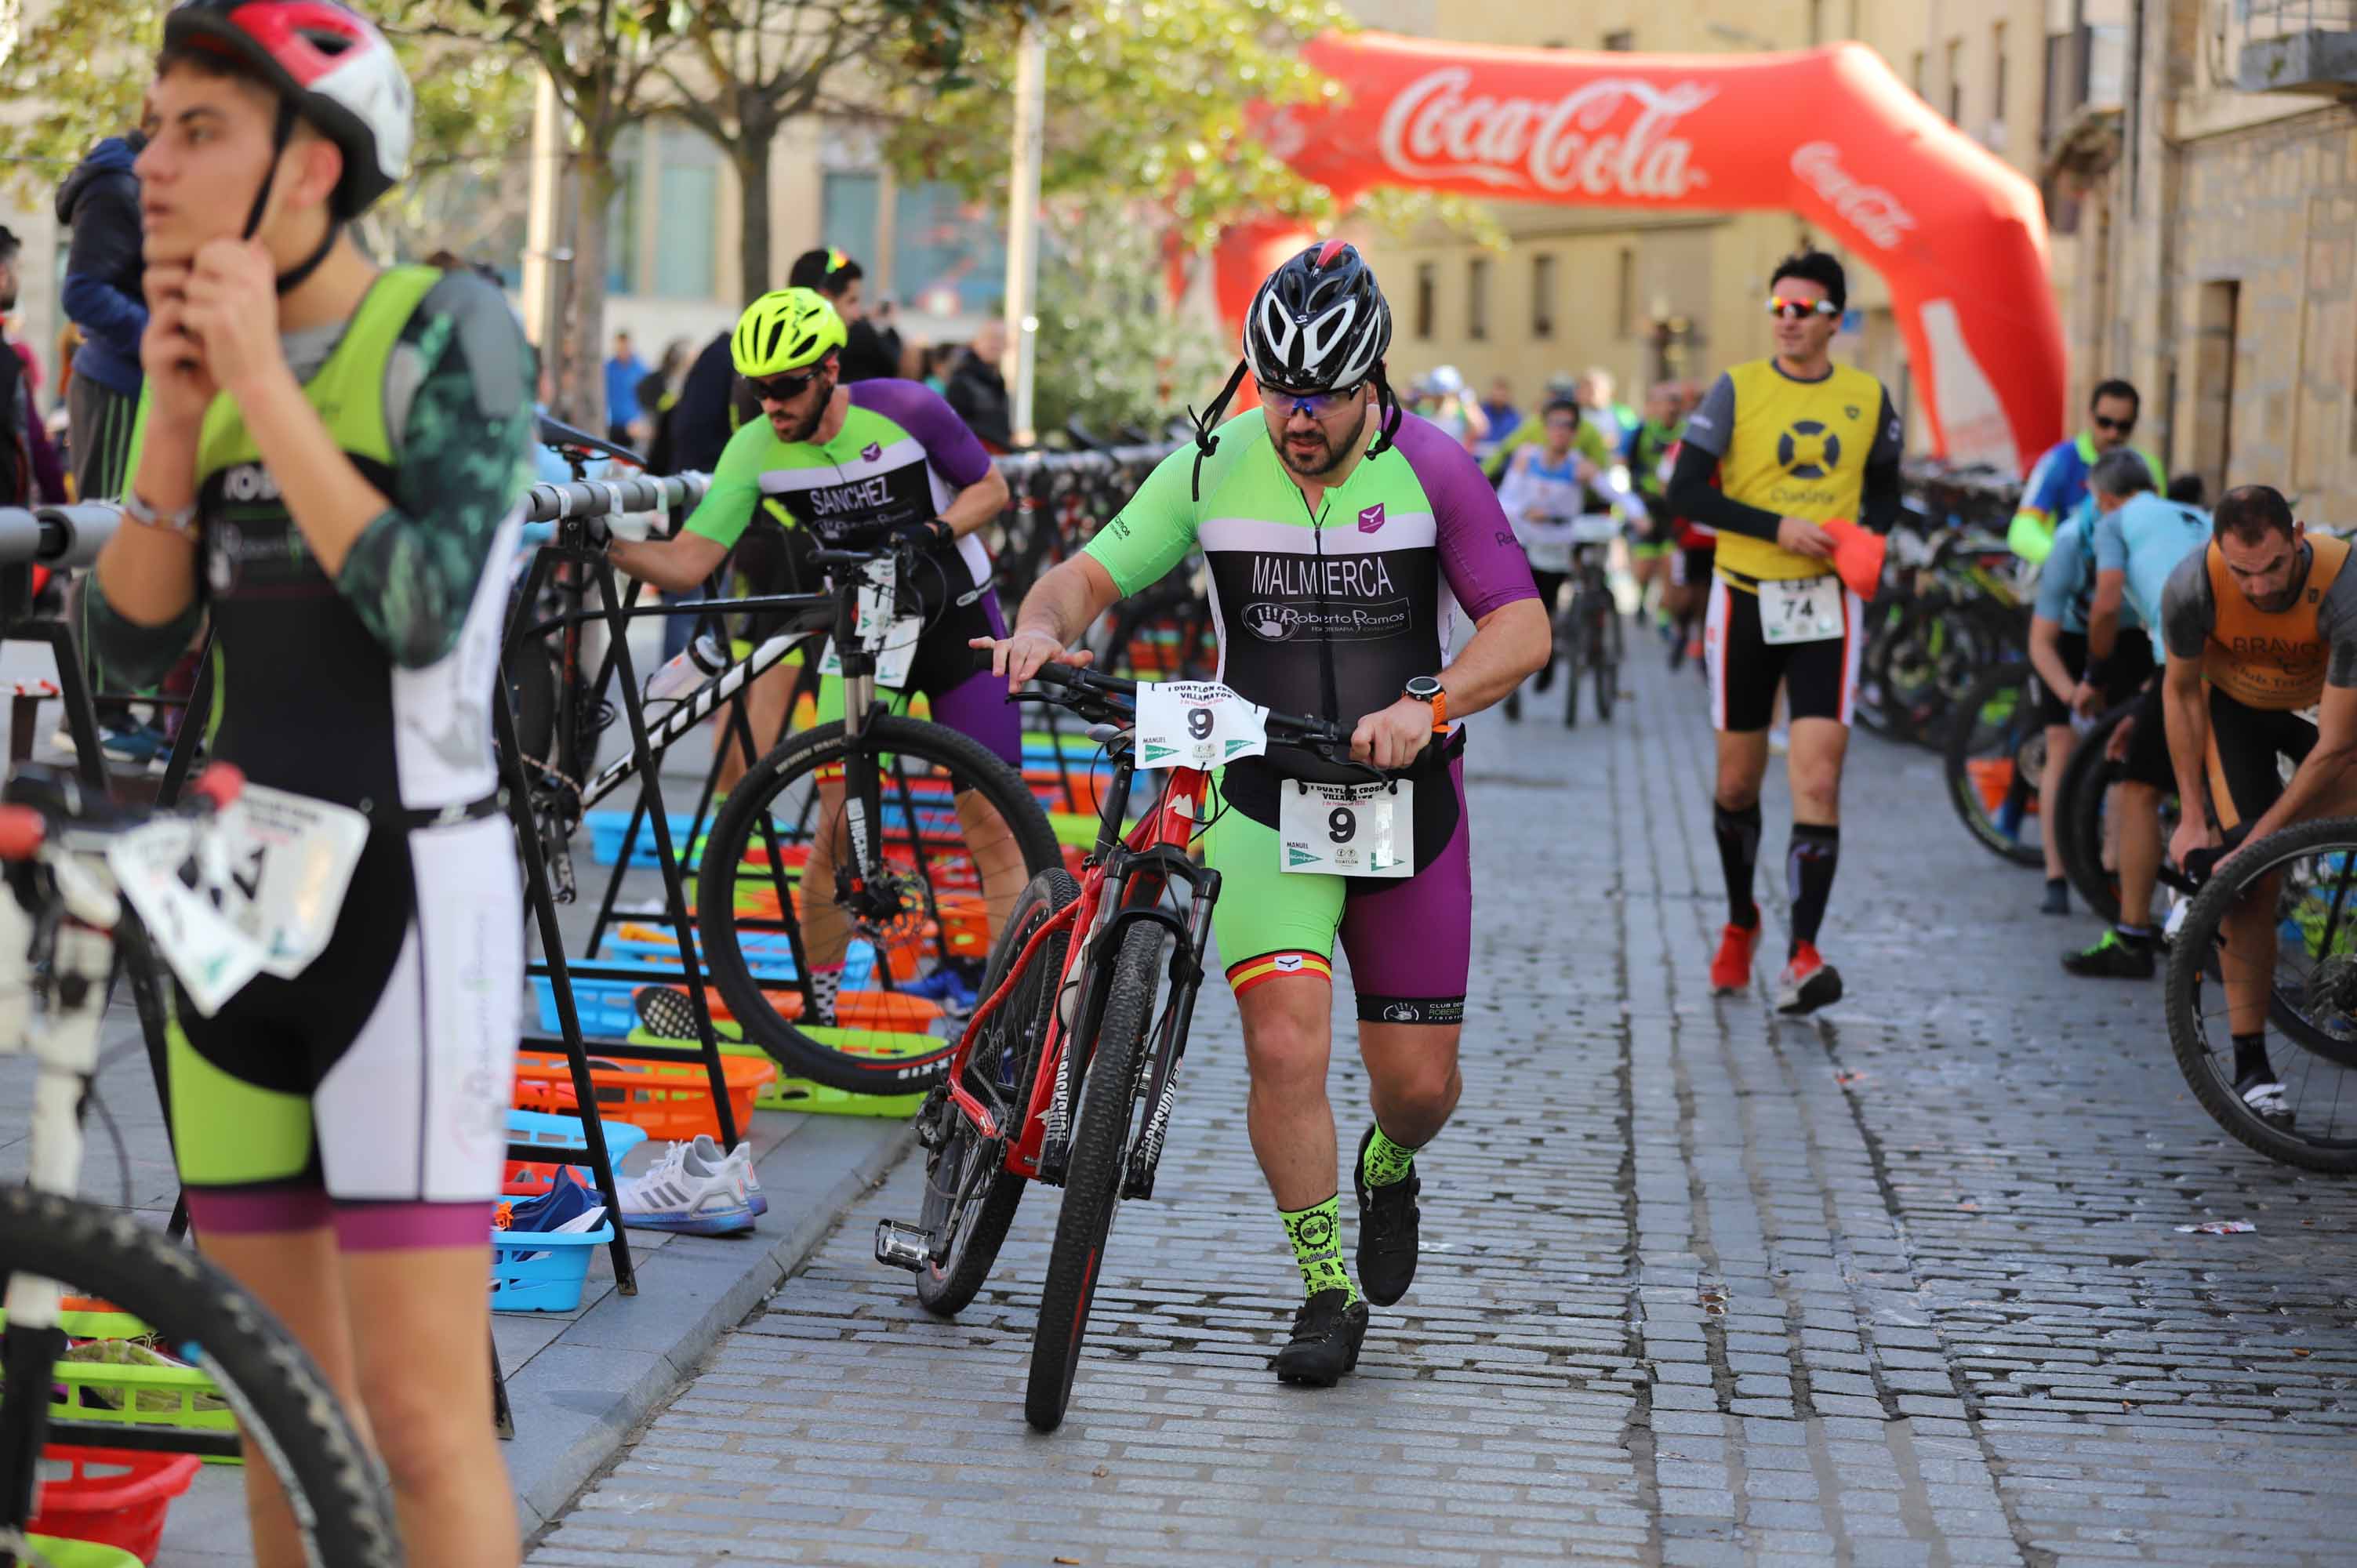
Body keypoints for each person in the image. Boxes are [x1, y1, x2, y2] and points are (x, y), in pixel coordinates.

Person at [83, 5, 529, 1562]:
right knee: (276, 1409)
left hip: (411, 905)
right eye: (153, 127)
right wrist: (181, 415)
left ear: (311, 166)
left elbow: (417, 605)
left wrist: (263, 382)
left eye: (197, 130)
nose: (151, 163)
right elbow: (128, 655)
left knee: (416, 1421)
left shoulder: (448, 328)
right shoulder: (200, 350)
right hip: (235, 896)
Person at [975, 239, 1549, 1387]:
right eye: (1278, 388)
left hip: (1403, 804)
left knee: (1419, 1086)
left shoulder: (1433, 468)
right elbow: (1086, 576)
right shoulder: (1213, 463)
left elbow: (1520, 629)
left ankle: (1389, 1165)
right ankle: (1325, 1288)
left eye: (1324, 396)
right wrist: (1043, 624)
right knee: (1285, 1042)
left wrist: (1429, 701)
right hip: (1257, 788)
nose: (1298, 417)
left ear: (1371, 381)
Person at [604, 288, 1024, 1014]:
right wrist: (605, 545)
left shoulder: (905, 408)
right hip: (866, 637)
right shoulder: (753, 450)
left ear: (830, 369)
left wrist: (933, 532)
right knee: (838, 828)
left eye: (789, 385)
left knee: (991, 821)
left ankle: (1017, 1014)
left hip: (959, 621)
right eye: (758, 389)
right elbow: (689, 562)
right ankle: (819, 1009)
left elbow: (991, 489)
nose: (773, 404)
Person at [1665, 251, 1905, 1015]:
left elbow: (1888, 489)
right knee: (1737, 782)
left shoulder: (1869, 396)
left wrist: (1868, 536)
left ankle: (1803, 952)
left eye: (1803, 309)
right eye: (1779, 306)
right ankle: (1742, 918)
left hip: (1826, 607)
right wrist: (1777, 525)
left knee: (1818, 779)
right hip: (1741, 597)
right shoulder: (1737, 388)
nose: (1788, 319)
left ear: (1836, 318)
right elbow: (1685, 490)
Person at [2155, 483, 2357, 1124]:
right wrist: (2192, 818)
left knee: (2259, 850)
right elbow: (2182, 694)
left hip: (2322, 715)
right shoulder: (2192, 585)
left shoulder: (2345, 586)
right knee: (2254, 882)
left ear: (2298, 535)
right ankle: (2252, 1068)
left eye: (2273, 566)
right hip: (2235, 712)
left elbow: (2335, 747)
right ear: (2218, 551)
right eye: (2242, 572)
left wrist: (2246, 847)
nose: (2261, 588)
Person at [2065, 451, 2209, 980]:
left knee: (2140, 790)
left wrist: (2095, 675)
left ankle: (2131, 937)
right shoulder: (2192, 515)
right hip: (2223, 661)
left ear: (2102, 497)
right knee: (2219, 795)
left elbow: (2106, 606)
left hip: (2185, 665)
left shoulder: (2114, 522)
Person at [2024, 488, 2155, 915]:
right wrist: (2069, 692)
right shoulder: (2067, 545)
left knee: (2126, 747)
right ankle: (2056, 875)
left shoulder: (2147, 542)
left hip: (2127, 635)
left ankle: (2112, 871)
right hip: (2068, 638)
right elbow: (2040, 643)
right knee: (2061, 743)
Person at [57, 128, 151, 501]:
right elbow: (82, 291)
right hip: (117, 386)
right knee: (106, 540)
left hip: (141, 385)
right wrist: (157, 338)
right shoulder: (118, 183)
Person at [2007, 379, 2163, 565]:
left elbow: (2157, 531)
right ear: (2091, 416)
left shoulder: (2148, 467)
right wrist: (2065, 560)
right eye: (2104, 423)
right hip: (2067, 576)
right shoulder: (2059, 461)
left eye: (2123, 426)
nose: (2112, 434)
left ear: (2135, 422)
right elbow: (2021, 531)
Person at [1624, 380, 1684, 633]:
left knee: (1670, 568)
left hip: (1675, 511)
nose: (1671, 407)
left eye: (1675, 401)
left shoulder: (1688, 432)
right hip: (1647, 508)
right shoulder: (1642, 431)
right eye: (1665, 401)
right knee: (1644, 570)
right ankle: (1641, 597)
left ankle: (1663, 616)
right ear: (1655, 406)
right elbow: (1626, 466)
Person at [944, 318, 1013, 449]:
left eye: (1000, 339)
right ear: (976, 342)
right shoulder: (962, 381)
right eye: (990, 338)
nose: (995, 344)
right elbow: (958, 429)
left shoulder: (999, 382)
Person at [602, 328, 646, 448]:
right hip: (613, 425)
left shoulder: (640, 369)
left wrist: (641, 421)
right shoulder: (607, 368)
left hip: (634, 427)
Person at [1476, 373, 1520, 458]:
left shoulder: (1514, 417)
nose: (1499, 396)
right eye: (1497, 392)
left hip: (1504, 466)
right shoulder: (1480, 414)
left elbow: (1514, 444)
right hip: (1480, 462)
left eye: (1502, 393)